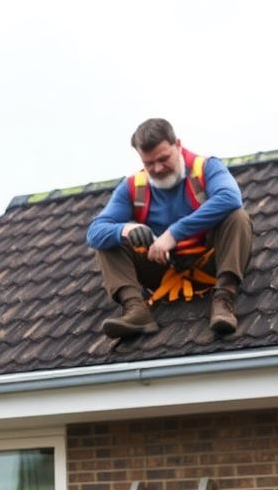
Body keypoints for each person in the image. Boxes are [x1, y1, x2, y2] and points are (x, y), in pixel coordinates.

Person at [86, 118, 252, 338]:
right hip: (161, 269)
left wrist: (173, 234)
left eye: (164, 159)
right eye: (149, 163)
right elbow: (94, 231)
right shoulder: (132, 188)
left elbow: (230, 198)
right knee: (107, 241)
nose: (157, 168)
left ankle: (224, 299)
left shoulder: (206, 168)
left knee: (237, 217)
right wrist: (124, 230)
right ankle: (136, 310)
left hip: (210, 262)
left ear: (178, 144)